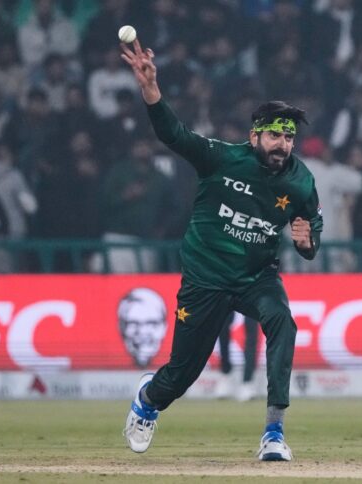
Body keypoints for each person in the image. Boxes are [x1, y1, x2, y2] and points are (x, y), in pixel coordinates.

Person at [119, 39, 322, 461]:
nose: (283, 145)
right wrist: (151, 91)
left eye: (289, 138)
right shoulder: (222, 158)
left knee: (282, 321)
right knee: (180, 376)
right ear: (254, 137)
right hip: (205, 278)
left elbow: (310, 234)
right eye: (274, 135)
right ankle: (148, 400)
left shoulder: (301, 182)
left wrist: (307, 242)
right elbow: (172, 134)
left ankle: (274, 433)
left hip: (256, 277)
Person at [215, 313, 260, 402]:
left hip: (251, 299)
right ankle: (225, 374)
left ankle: (248, 381)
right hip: (228, 298)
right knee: (222, 327)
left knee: (252, 329)